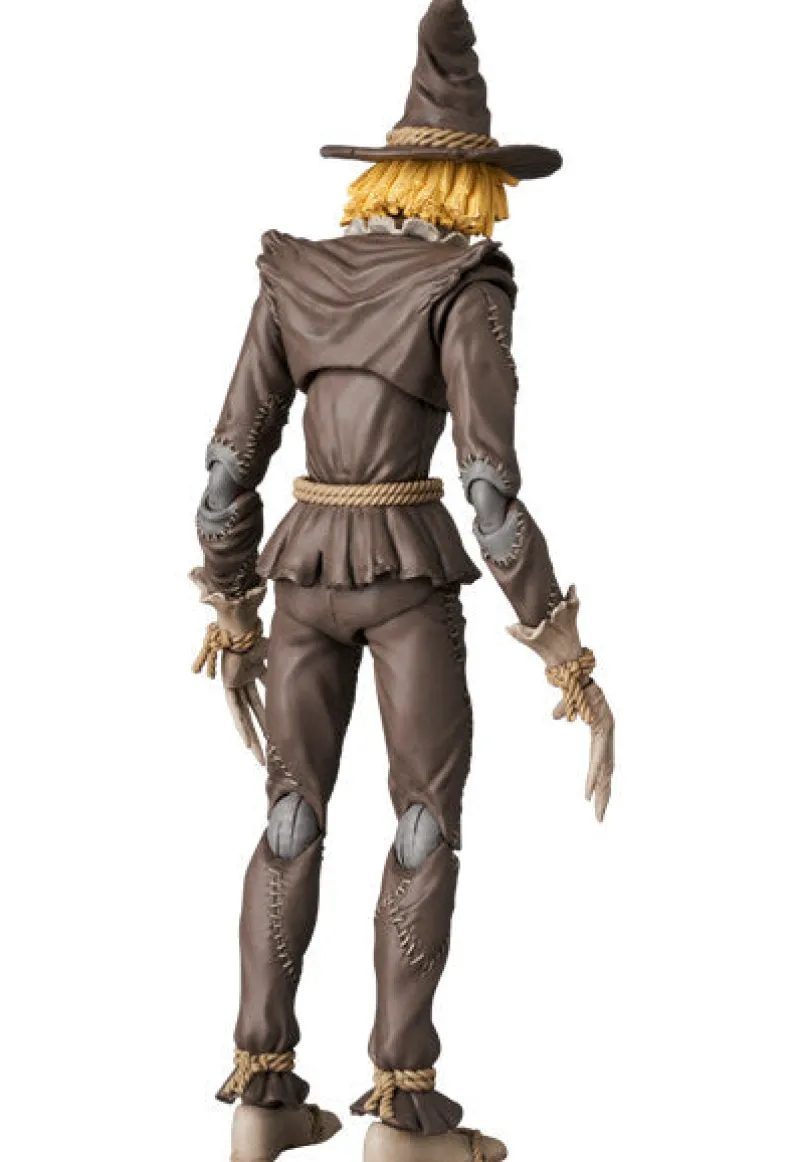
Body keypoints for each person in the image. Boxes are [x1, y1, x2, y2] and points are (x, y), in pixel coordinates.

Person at [192, 3, 615, 1159]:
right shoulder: (466, 284)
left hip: (299, 571)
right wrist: (563, 650)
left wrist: (232, 605)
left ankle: (262, 1097)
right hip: (406, 575)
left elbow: (228, 471)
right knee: (421, 822)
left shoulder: (294, 274)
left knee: (289, 814)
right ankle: (401, 1110)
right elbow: (488, 491)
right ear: (470, 180)